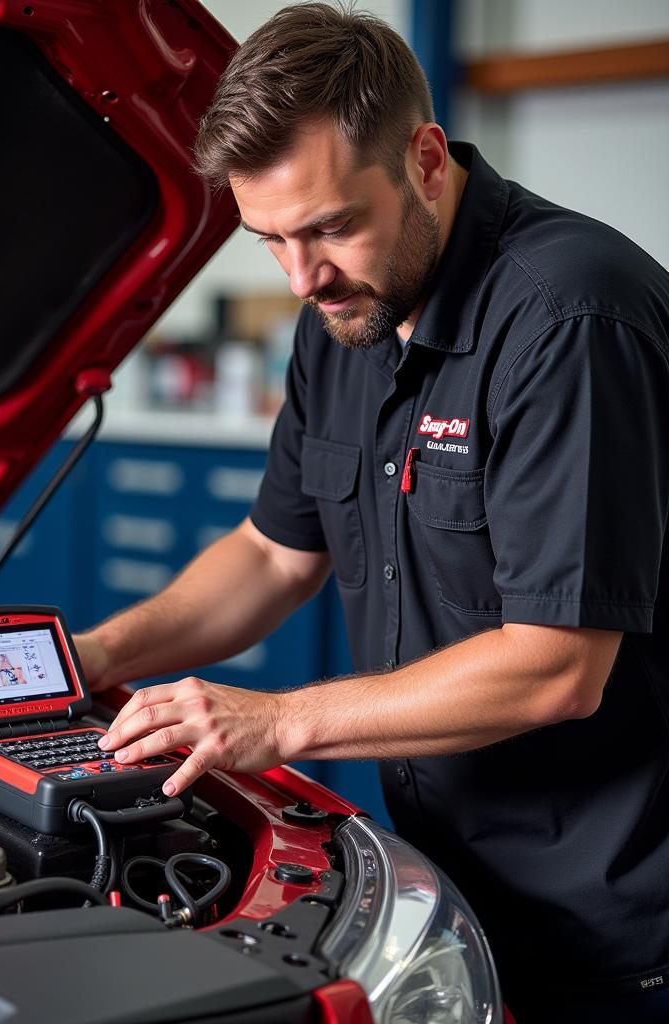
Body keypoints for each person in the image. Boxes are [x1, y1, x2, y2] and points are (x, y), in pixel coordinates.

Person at [73, 4, 669, 1022]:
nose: (301, 277)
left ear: (427, 160)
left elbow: (557, 667)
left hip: (614, 921)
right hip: (446, 880)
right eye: (269, 240)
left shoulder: (570, 318)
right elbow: (271, 556)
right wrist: (97, 652)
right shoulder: (346, 312)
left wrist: (279, 718)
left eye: (328, 226)